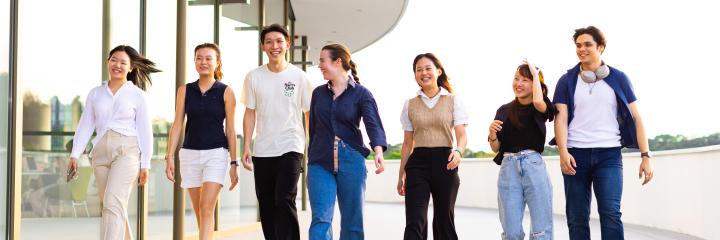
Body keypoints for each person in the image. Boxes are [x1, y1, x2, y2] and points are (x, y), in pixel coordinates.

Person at [551, 26, 654, 240]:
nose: (582, 49)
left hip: (609, 155)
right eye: (578, 45)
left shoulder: (619, 78)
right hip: (575, 155)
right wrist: (563, 152)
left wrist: (646, 156)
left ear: (601, 47)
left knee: (611, 213)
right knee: (577, 216)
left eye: (587, 44)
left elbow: (637, 117)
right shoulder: (566, 81)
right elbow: (560, 119)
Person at [67, 45, 159, 240]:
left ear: (131, 67)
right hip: (100, 153)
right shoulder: (96, 93)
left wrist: (146, 165)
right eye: (114, 60)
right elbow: (85, 125)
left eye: (123, 62)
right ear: (108, 62)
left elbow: (145, 131)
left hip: (127, 151)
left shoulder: (138, 95)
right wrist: (75, 154)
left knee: (112, 203)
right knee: (113, 206)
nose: (117, 65)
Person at [240, 23, 313, 240]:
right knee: (267, 203)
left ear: (288, 44)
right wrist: (246, 146)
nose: (275, 46)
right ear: (263, 46)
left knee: (284, 198)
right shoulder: (253, 77)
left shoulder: (299, 77)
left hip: (291, 145)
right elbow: (250, 113)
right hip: (262, 149)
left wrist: (312, 144)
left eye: (280, 41)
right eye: (269, 42)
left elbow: (309, 113)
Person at [307, 43, 387, 240]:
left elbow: (373, 124)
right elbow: (314, 128)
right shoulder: (318, 93)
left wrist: (378, 151)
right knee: (321, 219)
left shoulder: (362, 94)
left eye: (322, 61)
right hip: (320, 162)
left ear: (338, 62)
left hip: (351, 161)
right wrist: (311, 157)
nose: (320, 66)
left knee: (352, 222)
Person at [164, 43, 239, 240]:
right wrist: (169, 156)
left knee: (207, 208)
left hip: (216, 154)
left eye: (208, 58)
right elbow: (177, 124)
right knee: (199, 211)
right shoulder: (184, 90)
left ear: (217, 62)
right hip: (189, 154)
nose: (203, 62)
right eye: (199, 58)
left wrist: (234, 162)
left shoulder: (226, 92)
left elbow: (231, 130)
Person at [397, 53, 468, 240]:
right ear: (415, 75)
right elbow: (407, 144)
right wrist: (401, 175)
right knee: (414, 222)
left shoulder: (453, 100)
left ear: (438, 71)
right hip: (417, 164)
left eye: (428, 68)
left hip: (446, 163)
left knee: (444, 221)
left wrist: (459, 152)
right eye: (418, 70)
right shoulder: (409, 105)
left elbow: (461, 136)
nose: (423, 73)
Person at [489, 60, 556, 240]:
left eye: (525, 80)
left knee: (541, 230)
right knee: (510, 232)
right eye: (516, 78)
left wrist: (535, 74)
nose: (518, 84)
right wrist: (492, 134)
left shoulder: (540, 105)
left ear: (535, 83)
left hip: (533, 165)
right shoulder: (503, 110)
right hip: (508, 167)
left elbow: (537, 101)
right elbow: (496, 148)